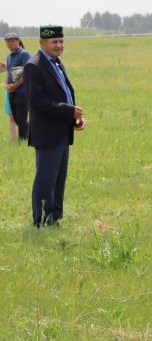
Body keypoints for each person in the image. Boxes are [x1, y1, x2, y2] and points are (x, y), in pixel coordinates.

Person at [23, 25, 86, 227]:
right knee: (45, 181)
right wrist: (68, 111)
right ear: (42, 43)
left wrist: (73, 119)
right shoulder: (34, 66)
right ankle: (40, 221)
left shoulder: (56, 63)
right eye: (54, 42)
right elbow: (37, 101)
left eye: (61, 41)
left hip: (61, 131)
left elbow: (63, 94)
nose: (58, 46)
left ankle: (55, 218)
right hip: (47, 134)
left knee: (58, 180)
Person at [4, 33, 31, 140]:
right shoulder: (9, 56)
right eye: (8, 41)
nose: (10, 43)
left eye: (12, 40)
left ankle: (22, 141)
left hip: (23, 92)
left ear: (18, 41)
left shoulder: (24, 54)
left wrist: (15, 86)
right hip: (12, 92)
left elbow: (27, 72)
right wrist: (8, 85)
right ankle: (33, 133)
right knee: (16, 118)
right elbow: (10, 72)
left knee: (22, 119)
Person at [1, 59, 19, 139]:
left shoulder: (23, 56)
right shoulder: (10, 58)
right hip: (9, 91)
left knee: (21, 117)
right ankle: (14, 139)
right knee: (11, 117)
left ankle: (24, 137)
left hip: (19, 92)